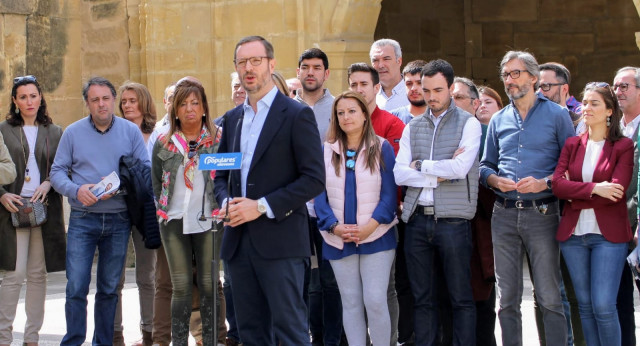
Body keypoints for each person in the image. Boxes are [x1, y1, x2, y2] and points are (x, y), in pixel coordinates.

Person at [214, 35, 325, 346]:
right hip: (238, 244)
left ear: (271, 64)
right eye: (242, 62)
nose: (248, 68)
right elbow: (221, 175)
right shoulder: (233, 119)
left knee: (290, 333)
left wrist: (261, 206)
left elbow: (313, 179)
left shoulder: (295, 114)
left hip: (281, 244)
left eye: (256, 61)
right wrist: (224, 203)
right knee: (251, 333)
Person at [479, 51, 574, 346]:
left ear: (534, 78)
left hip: (543, 213)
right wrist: (494, 180)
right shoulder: (498, 119)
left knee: (549, 295)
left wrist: (544, 182)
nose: (509, 80)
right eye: (506, 75)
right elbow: (485, 166)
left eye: (516, 73)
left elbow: (570, 165)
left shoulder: (558, 116)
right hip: (503, 213)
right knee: (507, 298)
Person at [50, 77, 149, 345]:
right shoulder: (72, 132)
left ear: (113, 100)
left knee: (108, 289)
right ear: (87, 104)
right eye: (95, 100)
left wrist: (121, 188)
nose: (101, 104)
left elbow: (145, 171)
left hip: (119, 218)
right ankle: (73, 340)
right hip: (83, 218)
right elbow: (57, 172)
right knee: (76, 287)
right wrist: (76, 190)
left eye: (106, 98)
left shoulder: (130, 132)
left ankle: (103, 342)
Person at [394, 59, 481, 345]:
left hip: (454, 222)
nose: (431, 96)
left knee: (460, 298)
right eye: (427, 89)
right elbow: (399, 173)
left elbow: (459, 169)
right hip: (417, 220)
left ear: (450, 88)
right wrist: (434, 174)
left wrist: (420, 165)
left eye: (438, 90)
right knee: (422, 299)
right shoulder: (413, 126)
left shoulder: (469, 123)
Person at [314, 90, 397, 345]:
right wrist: (334, 227)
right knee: (350, 302)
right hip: (338, 238)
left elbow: (389, 194)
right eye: (340, 113)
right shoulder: (326, 150)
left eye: (352, 111)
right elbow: (319, 196)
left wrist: (370, 227)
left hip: (377, 235)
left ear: (364, 114)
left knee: (374, 299)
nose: (346, 117)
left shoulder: (382, 147)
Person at [553, 82, 634, 345]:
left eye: (594, 103)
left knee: (603, 306)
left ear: (610, 110)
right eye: (585, 102)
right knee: (585, 306)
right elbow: (557, 185)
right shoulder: (572, 144)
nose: (586, 108)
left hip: (608, 237)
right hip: (573, 235)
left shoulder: (623, 146)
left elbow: (617, 192)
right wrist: (596, 188)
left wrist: (575, 191)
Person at [151, 77, 221, 346]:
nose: (190, 109)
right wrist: (165, 209)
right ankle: (178, 341)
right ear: (175, 110)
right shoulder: (163, 143)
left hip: (209, 219)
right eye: (183, 104)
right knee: (179, 286)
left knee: (208, 283)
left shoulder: (218, 139)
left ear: (204, 107)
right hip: (174, 220)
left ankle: (212, 340)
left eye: (195, 103)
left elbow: (227, 177)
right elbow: (157, 182)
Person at [0, 75, 66, 346]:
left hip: (43, 210)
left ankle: (32, 338)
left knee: (38, 274)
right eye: (23, 97)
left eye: (33, 95)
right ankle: (3, 337)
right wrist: (1, 195)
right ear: (15, 101)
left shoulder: (55, 131)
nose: (29, 101)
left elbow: (63, 167)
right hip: (10, 208)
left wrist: (49, 182)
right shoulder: (3, 130)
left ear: (41, 98)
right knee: (13, 275)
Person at [293, 47, 341, 346]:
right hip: (294, 208)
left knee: (330, 280)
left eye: (316, 67)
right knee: (301, 281)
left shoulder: (339, 108)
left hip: (331, 206)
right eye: (305, 67)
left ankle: (333, 340)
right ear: (298, 71)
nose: (311, 72)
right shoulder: (284, 109)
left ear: (326, 73)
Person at [113, 81, 158, 346]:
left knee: (147, 275)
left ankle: (149, 333)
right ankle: (116, 333)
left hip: (148, 210)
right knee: (115, 276)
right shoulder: (115, 132)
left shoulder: (157, 133)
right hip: (119, 207)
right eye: (125, 101)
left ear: (143, 102)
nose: (128, 105)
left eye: (133, 100)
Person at [613, 66, 640, 346]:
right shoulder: (611, 129)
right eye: (616, 86)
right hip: (614, 228)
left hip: (638, 224)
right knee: (620, 302)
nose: (618, 91)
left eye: (625, 86)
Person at [370, 38, 408, 111]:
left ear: (399, 61)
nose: (381, 65)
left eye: (386, 59)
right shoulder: (369, 96)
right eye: (375, 60)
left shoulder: (414, 93)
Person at [391, 60, 428, 124]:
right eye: (409, 84)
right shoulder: (392, 118)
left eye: (419, 83)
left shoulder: (443, 118)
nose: (413, 88)